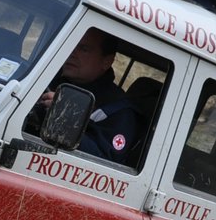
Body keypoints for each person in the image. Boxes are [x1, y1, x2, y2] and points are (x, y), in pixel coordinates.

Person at [36, 28, 140, 165]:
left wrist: (65, 121)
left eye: (83, 49)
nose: (72, 52)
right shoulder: (44, 77)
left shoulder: (119, 110)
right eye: (71, 43)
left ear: (107, 61)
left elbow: (105, 163)